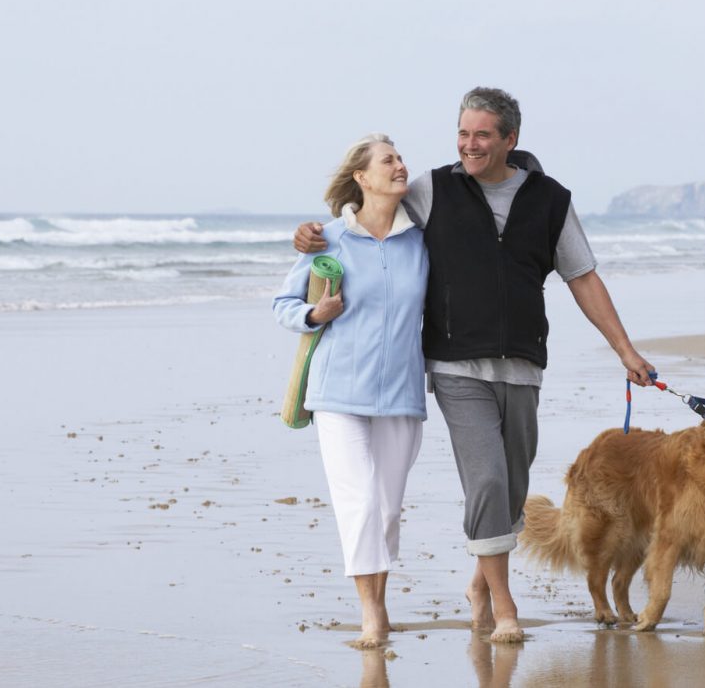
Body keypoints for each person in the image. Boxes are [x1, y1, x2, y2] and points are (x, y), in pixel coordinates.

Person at [293, 88, 655, 643]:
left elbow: (582, 277)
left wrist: (625, 350)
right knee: (485, 478)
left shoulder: (551, 200)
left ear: (510, 138)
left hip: (524, 366)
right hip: (454, 365)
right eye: (463, 133)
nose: (469, 144)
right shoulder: (434, 188)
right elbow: (371, 218)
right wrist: (316, 231)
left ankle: (481, 583)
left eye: (482, 134)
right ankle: (504, 607)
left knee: (510, 486)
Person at [273, 133, 429, 649]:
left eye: (402, 158)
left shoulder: (422, 240)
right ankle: (371, 614)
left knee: (385, 510)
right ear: (362, 178)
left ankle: (378, 605)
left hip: (402, 392)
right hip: (338, 392)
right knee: (358, 502)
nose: (401, 166)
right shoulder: (329, 240)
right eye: (389, 160)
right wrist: (315, 314)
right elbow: (284, 304)